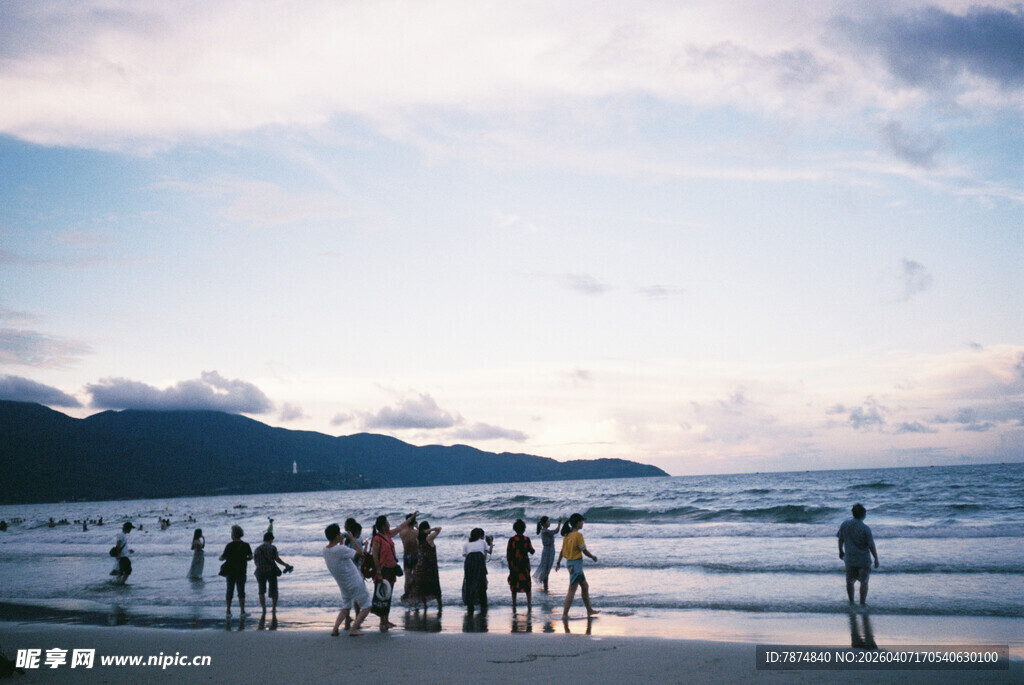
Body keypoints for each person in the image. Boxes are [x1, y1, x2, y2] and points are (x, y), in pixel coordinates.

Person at [370, 512, 416, 631]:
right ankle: (382, 621)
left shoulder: (389, 535)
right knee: (382, 597)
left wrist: (411, 518)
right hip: (383, 570)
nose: (389, 524)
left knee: (389, 595)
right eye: (387, 522)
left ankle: (386, 620)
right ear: (383, 525)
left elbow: (401, 527)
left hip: (391, 569)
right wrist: (379, 572)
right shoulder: (377, 538)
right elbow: (375, 556)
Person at [324, 523, 372, 636]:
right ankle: (353, 629)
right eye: (339, 534)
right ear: (336, 536)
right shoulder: (341, 549)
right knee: (367, 606)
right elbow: (360, 553)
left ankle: (335, 629)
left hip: (343, 584)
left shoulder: (325, 550)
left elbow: (340, 552)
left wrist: (342, 541)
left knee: (346, 607)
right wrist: (351, 539)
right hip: (354, 581)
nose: (341, 535)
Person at [555, 513, 599, 619]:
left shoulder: (567, 535)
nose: (583, 523)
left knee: (585, 586)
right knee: (572, 589)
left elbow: (562, 551)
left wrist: (558, 562)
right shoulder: (578, 536)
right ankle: (565, 614)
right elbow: (584, 550)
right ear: (578, 523)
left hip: (570, 564)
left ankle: (589, 610)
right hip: (576, 566)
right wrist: (592, 557)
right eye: (582, 521)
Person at [837, 503, 879, 606]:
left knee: (849, 582)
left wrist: (841, 551)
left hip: (850, 558)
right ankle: (862, 603)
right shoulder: (865, 528)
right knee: (864, 582)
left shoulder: (845, 524)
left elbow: (840, 539)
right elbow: (871, 545)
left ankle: (851, 602)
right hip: (863, 560)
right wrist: (876, 558)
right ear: (863, 514)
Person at [253, 530, 292, 615]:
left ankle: (264, 609)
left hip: (260, 571)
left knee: (261, 591)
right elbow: (276, 559)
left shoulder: (257, 549)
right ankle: (273, 608)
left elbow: (255, 561)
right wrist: (285, 565)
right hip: (271, 570)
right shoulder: (272, 547)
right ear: (270, 539)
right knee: (274, 590)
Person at [406, 521, 443, 612]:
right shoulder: (429, 538)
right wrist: (430, 530)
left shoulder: (418, 539)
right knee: (435, 586)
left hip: (421, 565)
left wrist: (421, 530)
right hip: (430, 566)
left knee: (423, 587)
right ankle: (440, 607)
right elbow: (439, 529)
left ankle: (425, 606)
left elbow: (420, 534)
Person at [219, 525, 253, 616]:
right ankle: (242, 611)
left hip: (230, 571)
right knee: (241, 591)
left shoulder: (229, 545)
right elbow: (250, 557)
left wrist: (221, 558)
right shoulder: (246, 545)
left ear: (233, 535)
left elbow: (222, 557)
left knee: (230, 590)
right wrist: (244, 559)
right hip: (242, 570)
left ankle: (228, 611)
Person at [461, 528, 494, 614]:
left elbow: (466, 556)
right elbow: (486, 556)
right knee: (481, 584)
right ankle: (483, 604)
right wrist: (490, 543)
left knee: (469, 584)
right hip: (479, 561)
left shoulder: (466, 544)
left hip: (469, 563)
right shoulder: (483, 542)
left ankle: (470, 604)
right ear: (481, 536)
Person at [507, 519, 535, 611]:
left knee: (514, 583)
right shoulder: (526, 539)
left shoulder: (511, 540)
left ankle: (514, 604)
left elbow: (508, 554)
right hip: (524, 565)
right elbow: (532, 551)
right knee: (527, 584)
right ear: (524, 529)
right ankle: (529, 604)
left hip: (514, 565)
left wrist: (510, 565)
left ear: (515, 529)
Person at [533, 516, 561, 592]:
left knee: (546, 569)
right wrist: (559, 522)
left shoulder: (545, 531)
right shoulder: (545, 531)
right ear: (545, 523)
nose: (550, 522)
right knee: (546, 569)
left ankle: (545, 586)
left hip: (549, 550)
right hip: (548, 551)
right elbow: (556, 531)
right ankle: (545, 586)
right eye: (548, 521)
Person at [396, 512, 419, 600]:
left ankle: (407, 595)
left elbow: (401, 527)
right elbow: (424, 536)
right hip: (416, 555)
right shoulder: (416, 532)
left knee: (408, 577)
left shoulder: (402, 532)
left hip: (407, 556)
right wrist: (417, 526)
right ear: (414, 522)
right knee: (416, 577)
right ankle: (415, 595)